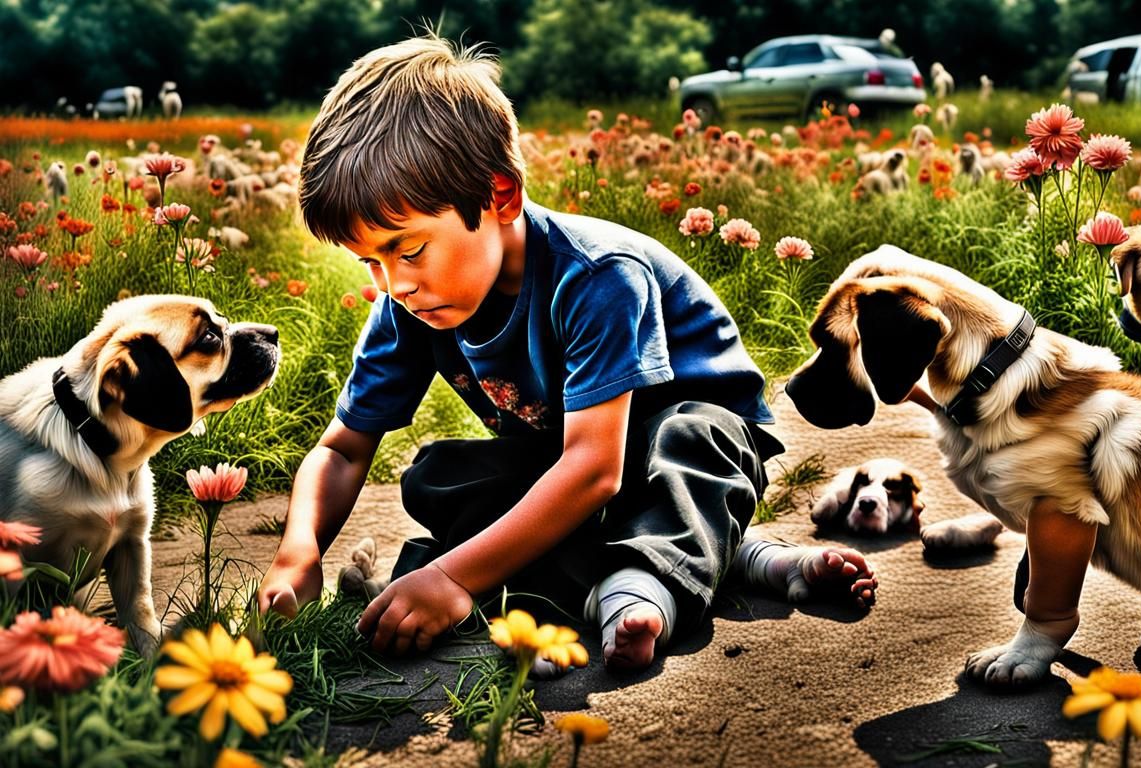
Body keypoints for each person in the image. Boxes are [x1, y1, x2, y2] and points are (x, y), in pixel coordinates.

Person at [256, 34, 877, 671]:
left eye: (408, 250)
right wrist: (299, 551)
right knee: (438, 476)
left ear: (500, 196)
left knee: (686, 442)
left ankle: (645, 586)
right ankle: (707, 557)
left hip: (684, 451)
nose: (395, 284)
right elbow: (343, 448)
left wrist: (451, 577)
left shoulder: (597, 275)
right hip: (570, 467)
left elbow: (595, 469)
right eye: (371, 261)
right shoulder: (411, 303)